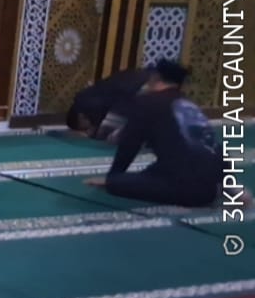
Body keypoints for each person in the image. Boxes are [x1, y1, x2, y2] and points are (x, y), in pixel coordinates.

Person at [84, 60, 222, 207]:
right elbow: (213, 145)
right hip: (212, 186)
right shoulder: (189, 104)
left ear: (155, 77)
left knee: (119, 184)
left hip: (186, 188)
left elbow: (129, 144)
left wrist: (112, 179)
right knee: (152, 173)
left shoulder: (147, 102)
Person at [67, 66, 150, 142]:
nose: (88, 128)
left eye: (84, 128)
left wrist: (93, 132)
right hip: (139, 83)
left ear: (80, 117)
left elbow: (101, 116)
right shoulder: (88, 98)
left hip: (139, 86)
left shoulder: (88, 101)